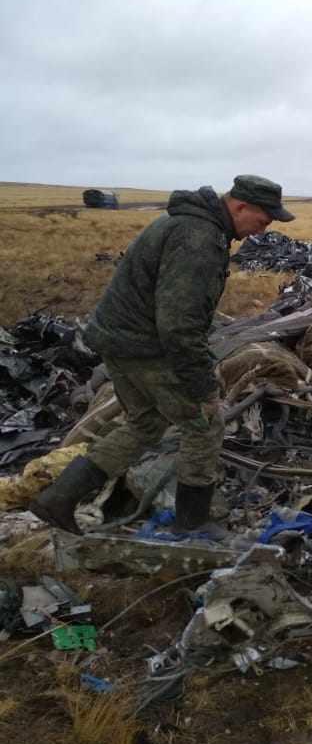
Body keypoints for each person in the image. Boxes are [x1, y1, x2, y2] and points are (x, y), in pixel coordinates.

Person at [29, 175, 295, 534]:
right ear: (240, 207)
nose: (261, 232)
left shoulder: (188, 224)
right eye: (262, 222)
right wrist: (203, 389)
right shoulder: (199, 239)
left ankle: (58, 499)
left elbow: (177, 306)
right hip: (146, 348)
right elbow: (178, 325)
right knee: (205, 427)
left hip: (119, 342)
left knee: (145, 424)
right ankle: (194, 525)